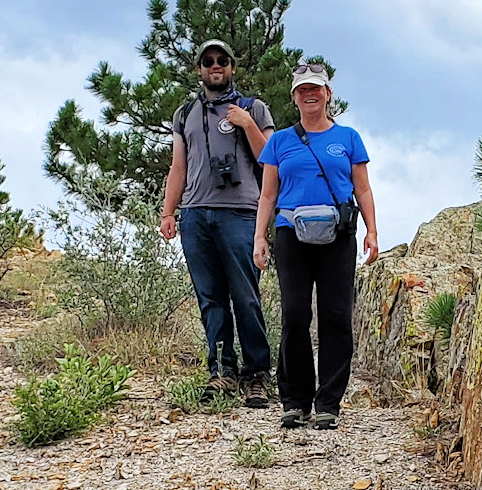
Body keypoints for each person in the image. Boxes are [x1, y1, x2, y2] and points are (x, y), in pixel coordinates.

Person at [253, 62, 378, 430]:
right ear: (294, 97)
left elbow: (363, 188)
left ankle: (329, 402)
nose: (310, 94)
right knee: (294, 315)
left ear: (327, 94)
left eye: (316, 88)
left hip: (338, 235)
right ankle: (295, 401)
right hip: (292, 233)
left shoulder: (349, 138)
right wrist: (260, 237)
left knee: (336, 316)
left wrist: (371, 231)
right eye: (302, 89)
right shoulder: (279, 142)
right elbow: (267, 194)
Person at [161, 39, 277, 407]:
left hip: (241, 213)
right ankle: (222, 372)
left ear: (231, 67)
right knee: (210, 299)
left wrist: (245, 124)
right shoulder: (185, 114)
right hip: (196, 215)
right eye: (208, 61)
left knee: (245, 297)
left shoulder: (253, 108)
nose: (215, 66)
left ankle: (257, 374)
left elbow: (270, 160)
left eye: (222, 60)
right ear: (199, 69)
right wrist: (168, 211)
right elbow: (178, 167)